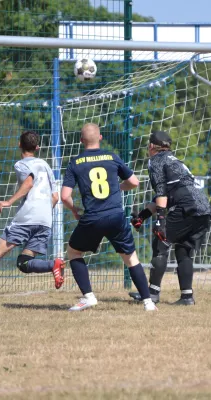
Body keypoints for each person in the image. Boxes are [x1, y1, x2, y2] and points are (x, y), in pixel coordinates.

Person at [61, 123, 157, 311]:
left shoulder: (75, 162)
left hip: (92, 217)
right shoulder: (111, 157)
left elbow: (65, 196)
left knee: (73, 253)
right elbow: (134, 182)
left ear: (81, 141)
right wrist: (119, 188)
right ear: (101, 138)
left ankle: (88, 297)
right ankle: (148, 302)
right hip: (115, 216)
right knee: (131, 259)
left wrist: (74, 210)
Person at [0, 130, 64, 298]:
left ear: (19, 144)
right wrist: (42, 211)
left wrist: (8, 202)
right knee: (24, 262)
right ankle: (54, 264)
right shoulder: (45, 165)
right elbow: (55, 197)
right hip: (45, 220)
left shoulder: (21, 165)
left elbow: (28, 183)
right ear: (37, 147)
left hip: (27, 218)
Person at [129, 130, 211, 305]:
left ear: (151, 146)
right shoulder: (175, 161)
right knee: (184, 249)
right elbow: (163, 196)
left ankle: (152, 293)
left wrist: (160, 221)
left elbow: (161, 192)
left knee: (161, 242)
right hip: (203, 207)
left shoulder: (156, 161)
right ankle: (187, 297)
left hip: (186, 206)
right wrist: (142, 216)